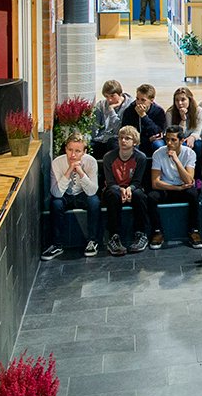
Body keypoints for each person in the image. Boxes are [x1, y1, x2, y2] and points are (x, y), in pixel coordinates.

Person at [41, 132, 100, 260]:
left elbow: (92, 191)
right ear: (65, 149)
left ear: (84, 152)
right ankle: (57, 245)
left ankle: (92, 241)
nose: (73, 155)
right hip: (65, 195)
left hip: (83, 194)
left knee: (94, 202)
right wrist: (69, 171)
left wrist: (80, 172)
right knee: (56, 203)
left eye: (77, 151)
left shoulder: (91, 162)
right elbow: (56, 193)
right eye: (70, 150)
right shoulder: (57, 163)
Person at [99, 124, 151, 256]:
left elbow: (137, 181)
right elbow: (110, 182)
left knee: (139, 195)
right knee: (113, 194)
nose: (123, 141)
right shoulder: (108, 157)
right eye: (121, 138)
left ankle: (141, 234)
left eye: (127, 138)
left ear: (135, 142)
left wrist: (129, 189)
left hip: (132, 188)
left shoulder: (140, 157)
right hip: (114, 189)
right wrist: (120, 189)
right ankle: (113, 236)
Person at [147, 126, 201, 249]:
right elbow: (155, 183)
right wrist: (177, 188)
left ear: (181, 141)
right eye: (167, 139)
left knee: (193, 194)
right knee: (151, 197)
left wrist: (176, 160)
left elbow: (189, 180)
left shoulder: (190, 153)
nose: (169, 143)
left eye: (173, 140)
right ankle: (157, 232)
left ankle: (194, 230)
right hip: (167, 187)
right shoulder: (158, 153)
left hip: (183, 186)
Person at [119, 83, 167, 157]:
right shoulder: (130, 110)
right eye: (137, 99)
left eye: (143, 100)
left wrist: (144, 116)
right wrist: (146, 140)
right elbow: (127, 131)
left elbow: (158, 132)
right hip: (138, 141)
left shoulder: (158, 111)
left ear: (151, 100)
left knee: (159, 145)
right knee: (132, 145)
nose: (139, 103)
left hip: (153, 141)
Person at [91, 79, 127, 160]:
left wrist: (111, 111)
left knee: (113, 143)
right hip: (102, 138)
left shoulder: (128, 107)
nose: (109, 100)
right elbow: (94, 128)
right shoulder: (101, 105)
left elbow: (118, 130)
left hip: (118, 139)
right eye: (106, 96)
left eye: (112, 96)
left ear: (120, 94)